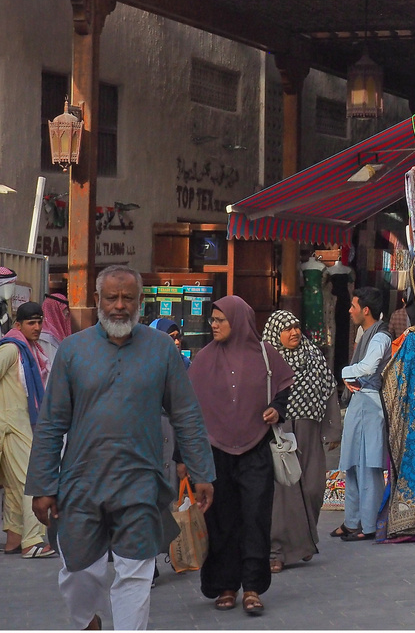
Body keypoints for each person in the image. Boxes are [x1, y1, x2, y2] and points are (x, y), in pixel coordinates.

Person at [28, 267, 215, 632]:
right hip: (81, 482)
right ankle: (87, 620)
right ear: (98, 300)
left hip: (141, 481)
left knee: (136, 573)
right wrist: (43, 485)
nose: (119, 306)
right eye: (111, 298)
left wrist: (201, 470)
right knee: (78, 570)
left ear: (139, 302)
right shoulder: (72, 351)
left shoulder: (161, 349)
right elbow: (51, 423)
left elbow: (186, 414)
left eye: (127, 298)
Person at [188, 296, 293, 615]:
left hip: (256, 448)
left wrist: (277, 409)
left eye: (221, 319)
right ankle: (226, 585)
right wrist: (186, 459)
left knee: (255, 518)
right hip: (215, 451)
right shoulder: (204, 359)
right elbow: (188, 410)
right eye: (213, 320)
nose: (215, 325)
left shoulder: (265, 355)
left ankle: (251, 587)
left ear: (239, 321)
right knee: (221, 519)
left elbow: (284, 390)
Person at [0, 299, 53, 558]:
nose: (37, 327)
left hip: (20, 425)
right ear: (18, 324)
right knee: (30, 483)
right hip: (12, 427)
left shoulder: (28, 350)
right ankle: (32, 542)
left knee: (15, 486)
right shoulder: (10, 349)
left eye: (40, 322)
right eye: (32, 322)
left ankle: (14, 539)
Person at [261, 310, 339, 572]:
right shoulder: (266, 361)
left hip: (309, 431)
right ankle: (277, 551)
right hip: (279, 433)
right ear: (275, 333)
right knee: (284, 493)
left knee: (313, 487)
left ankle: (304, 542)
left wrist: (333, 430)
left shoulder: (313, 354)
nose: (294, 332)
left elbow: (329, 389)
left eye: (296, 326)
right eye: (288, 328)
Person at [335, 286, 391, 542]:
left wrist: (345, 372)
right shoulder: (366, 333)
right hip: (360, 403)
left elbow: (368, 368)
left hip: (371, 405)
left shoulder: (380, 337)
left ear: (365, 310)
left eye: (353, 306)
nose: (349, 311)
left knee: (369, 466)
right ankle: (352, 521)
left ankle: (368, 526)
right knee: (353, 465)